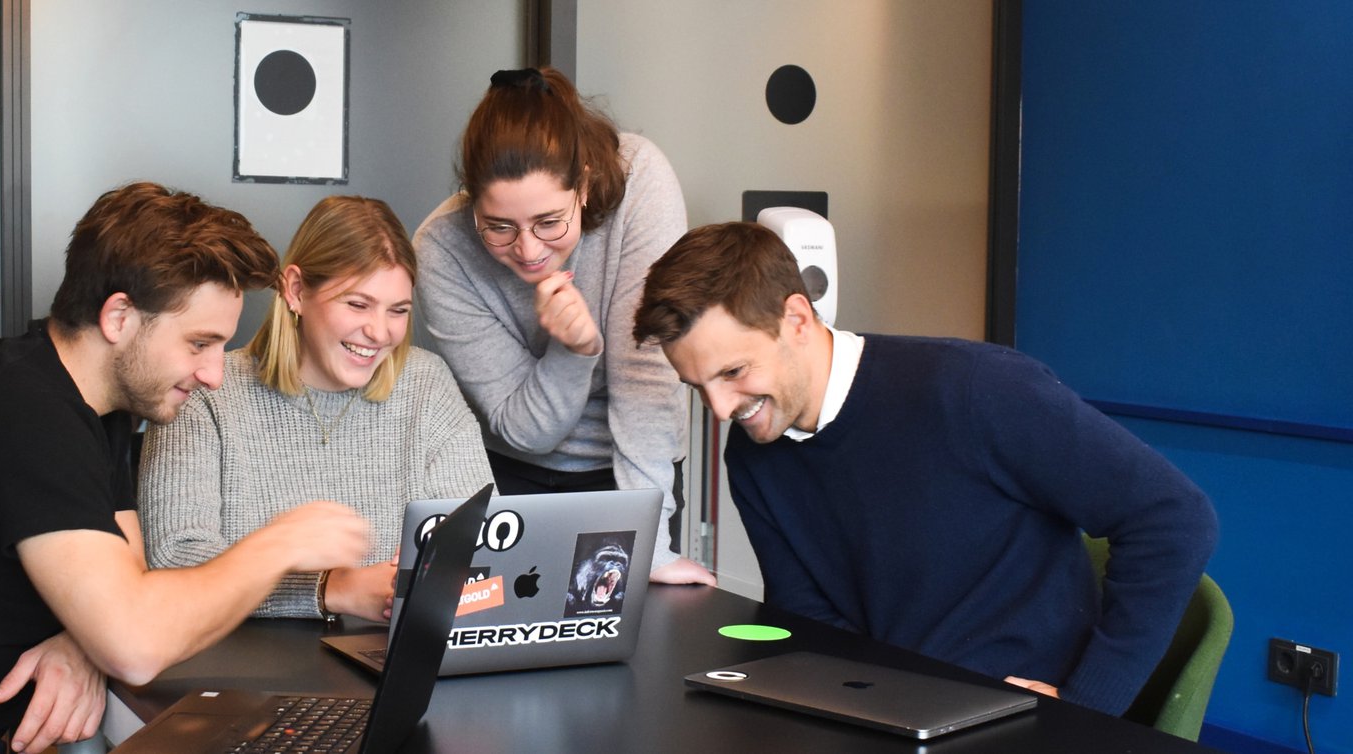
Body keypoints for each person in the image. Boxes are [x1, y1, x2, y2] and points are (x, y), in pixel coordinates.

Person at [0, 182, 372, 754]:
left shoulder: (91, 400)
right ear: (118, 318)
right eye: (198, 343)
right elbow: (135, 644)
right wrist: (279, 545)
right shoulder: (27, 409)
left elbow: (124, 567)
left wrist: (86, 639)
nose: (214, 375)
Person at [630, 221, 1219, 714]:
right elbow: (811, 623)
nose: (721, 409)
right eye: (696, 386)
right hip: (900, 713)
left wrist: (1085, 707)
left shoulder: (973, 390)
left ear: (798, 319)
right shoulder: (755, 455)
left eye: (732, 373)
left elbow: (1173, 519)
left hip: (1023, 713)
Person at [413, 66, 713, 585]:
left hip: (638, 475)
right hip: (511, 475)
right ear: (471, 201)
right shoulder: (442, 250)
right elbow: (525, 430)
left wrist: (651, 548)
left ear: (586, 184)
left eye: (550, 222)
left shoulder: (640, 178)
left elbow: (647, 378)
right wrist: (574, 351)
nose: (528, 251)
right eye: (499, 227)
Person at [140, 195, 493, 623]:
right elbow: (175, 561)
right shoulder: (204, 391)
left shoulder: (426, 384)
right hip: (240, 663)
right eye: (357, 304)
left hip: (384, 656)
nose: (379, 332)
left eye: (397, 310)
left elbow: (487, 544)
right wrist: (330, 589)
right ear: (295, 290)